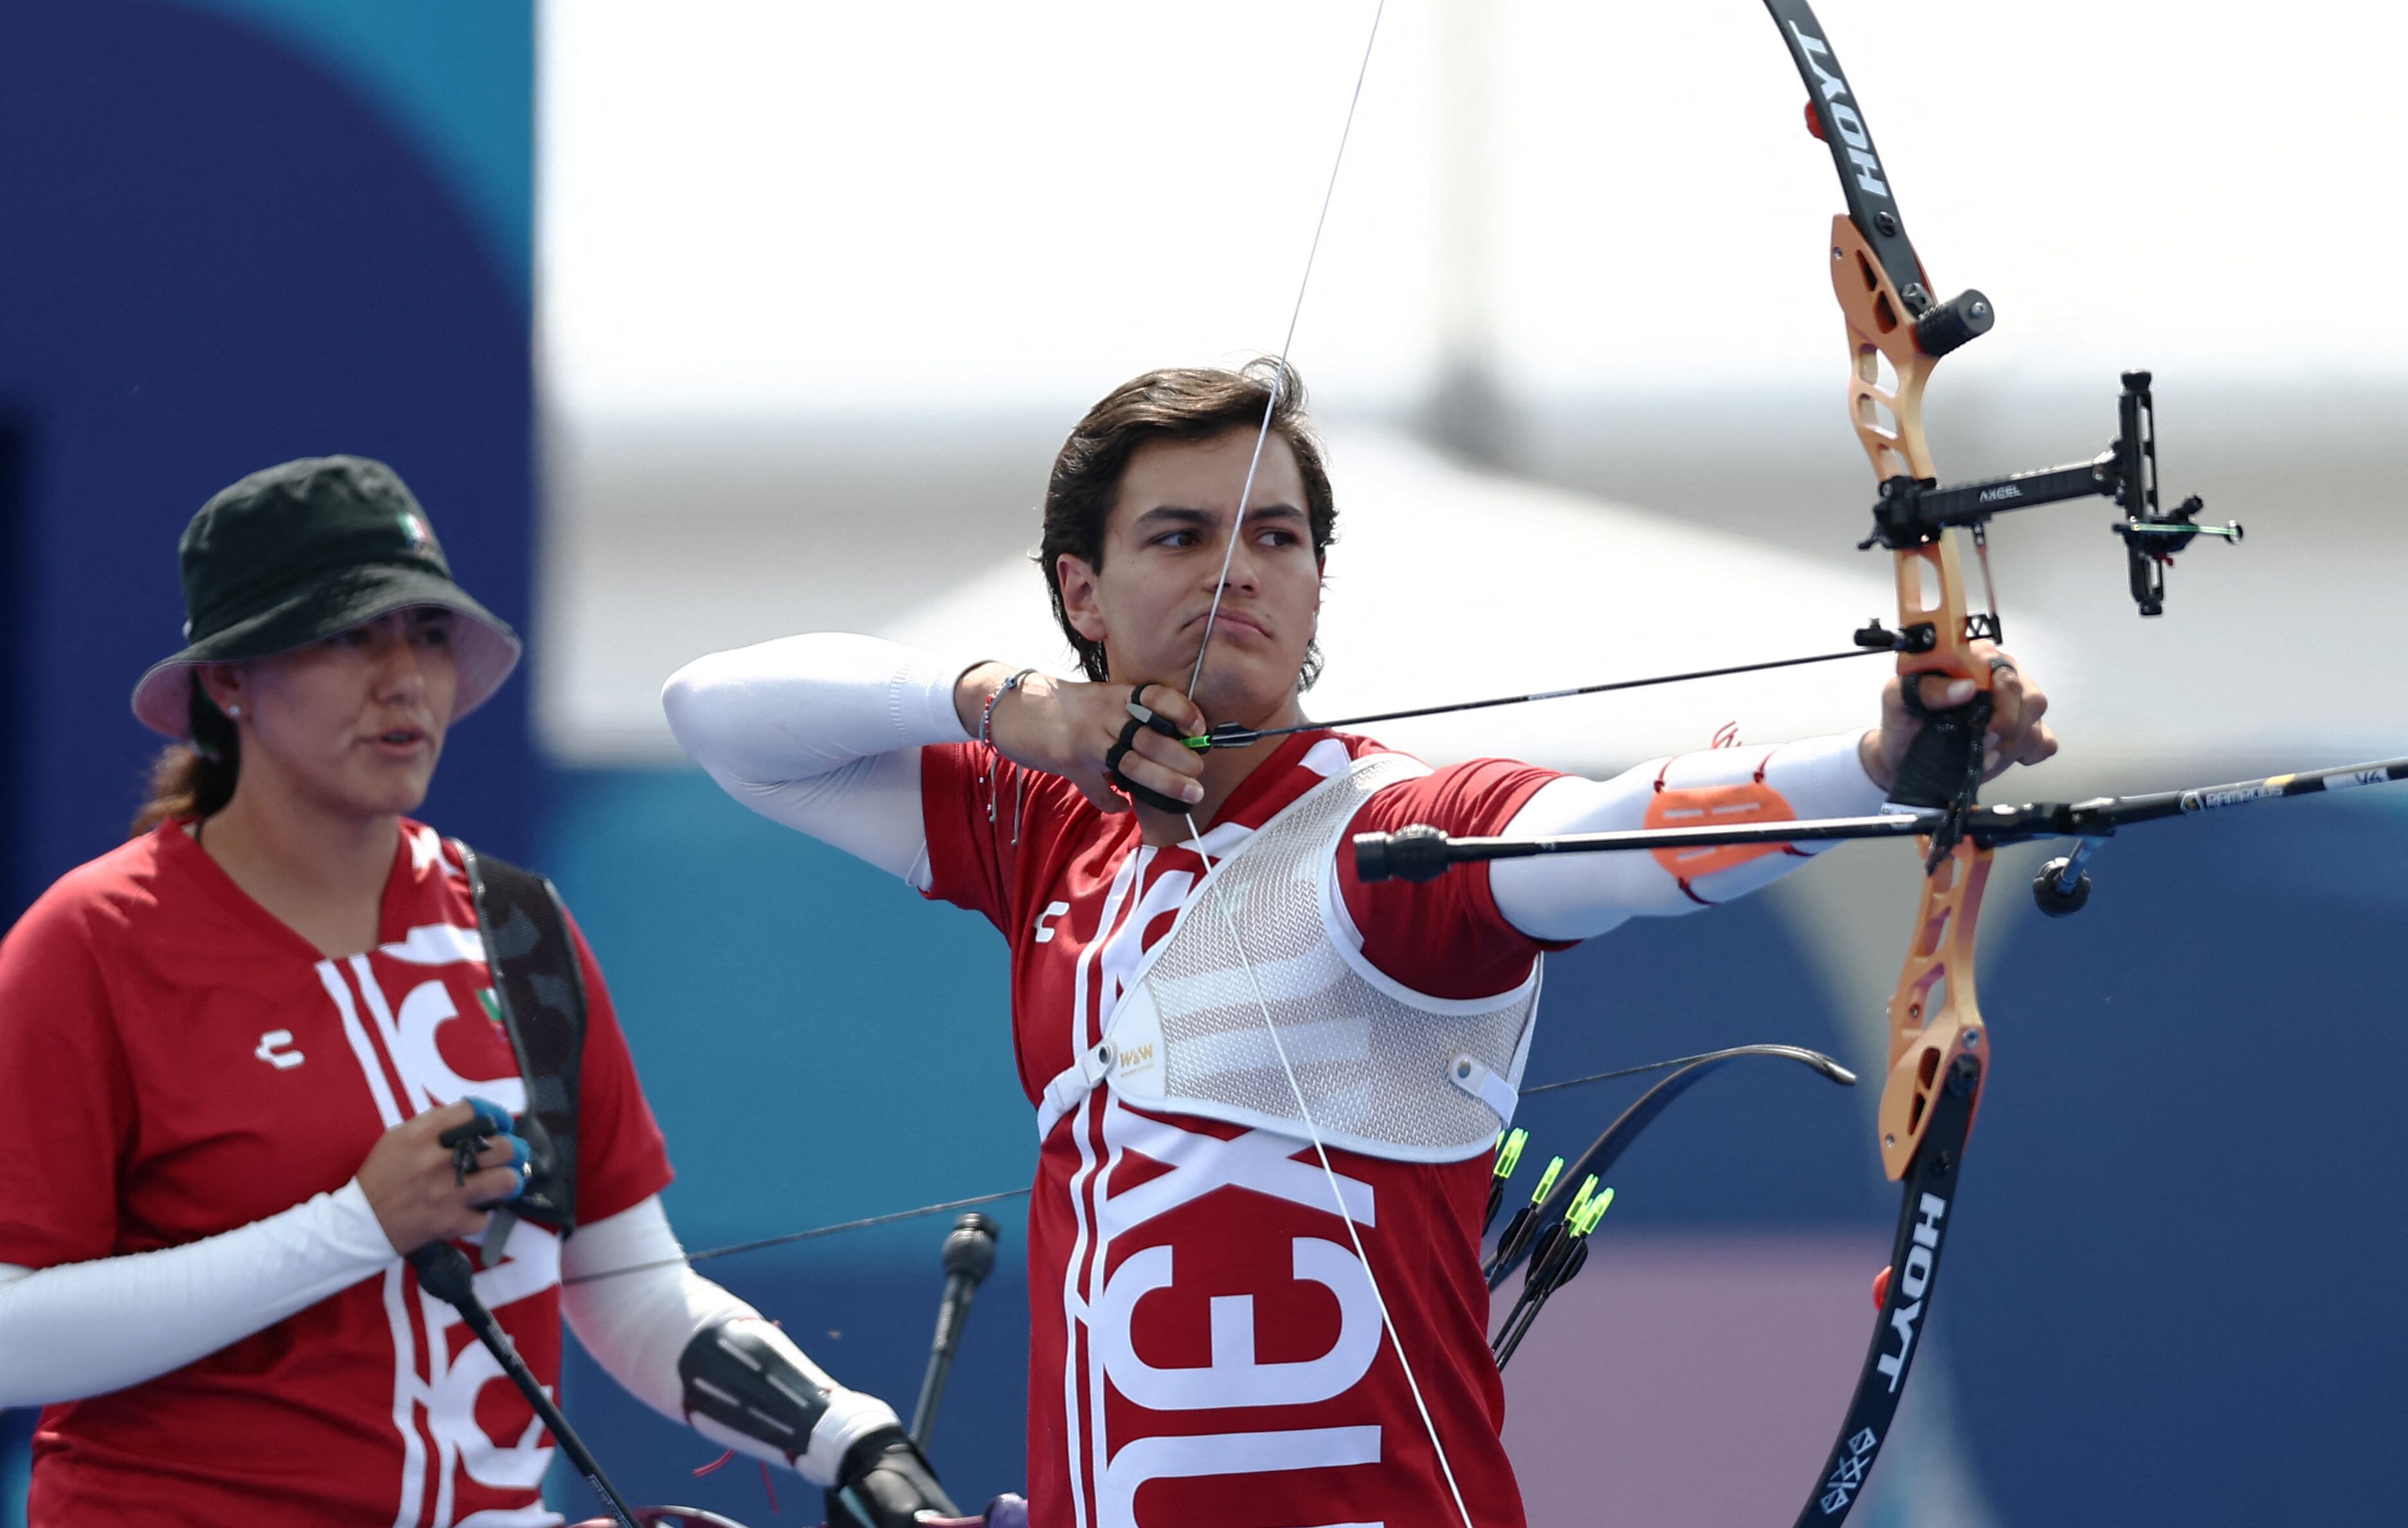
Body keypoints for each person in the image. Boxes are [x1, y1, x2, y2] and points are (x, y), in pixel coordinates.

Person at [661, 361, 2058, 1528]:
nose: (1241, 570)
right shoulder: (1045, 831)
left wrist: (1876, 762)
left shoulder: (1386, 835)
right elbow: (717, 719)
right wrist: (998, 703)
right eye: (1182, 535)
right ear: (1081, 594)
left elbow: (1611, 832)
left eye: (1278, 537)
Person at [0, 457, 954, 1527]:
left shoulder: (518, 928)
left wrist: (852, 1438)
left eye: (430, 636)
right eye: (350, 635)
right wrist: (357, 1224)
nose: (404, 677)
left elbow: (632, 1292)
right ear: (230, 683)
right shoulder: (92, 943)